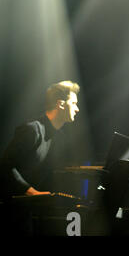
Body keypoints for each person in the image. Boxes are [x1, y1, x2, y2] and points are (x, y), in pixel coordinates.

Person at [0, 80, 80, 234]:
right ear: (61, 104)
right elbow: (5, 166)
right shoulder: (32, 130)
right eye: (74, 103)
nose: (77, 109)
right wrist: (31, 192)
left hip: (27, 210)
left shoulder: (58, 137)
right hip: (10, 211)